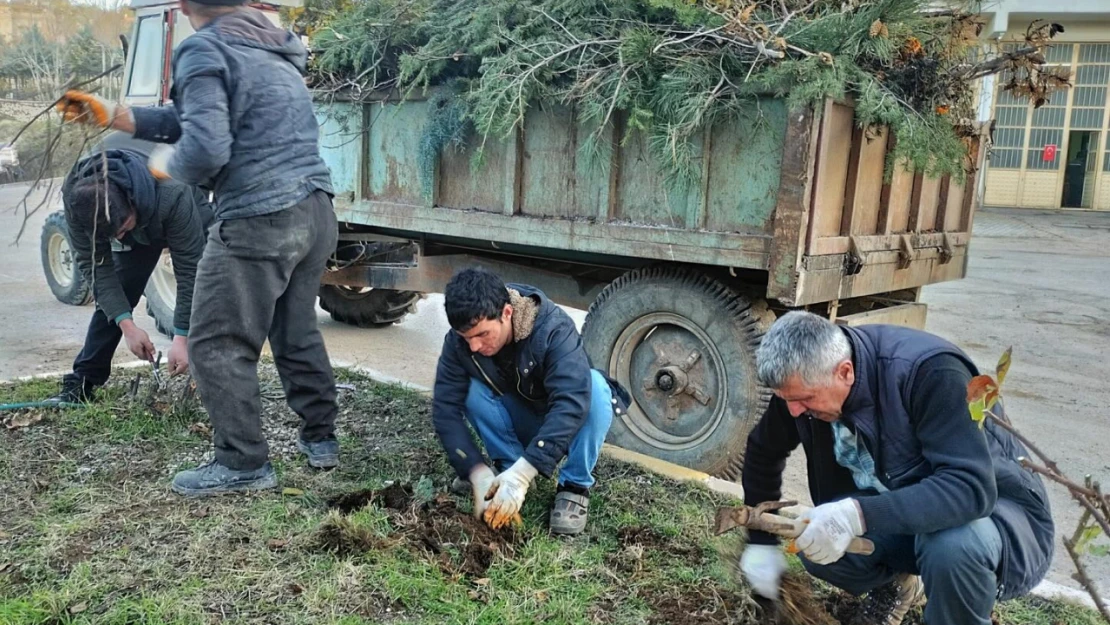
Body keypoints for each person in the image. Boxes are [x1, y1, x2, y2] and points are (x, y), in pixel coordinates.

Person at [57, 0, 339, 496]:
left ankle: (242, 463)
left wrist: (165, 168)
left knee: (214, 342)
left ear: (185, 5)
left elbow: (206, 145)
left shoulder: (203, 48)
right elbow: (193, 116)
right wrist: (117, 116)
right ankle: (320, 438)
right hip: (315, 210)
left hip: (259, 216)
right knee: (295, 330)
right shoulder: (270, 44)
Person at [738, 312, 1054, 625]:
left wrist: (856, 514)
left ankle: (961, 612)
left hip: (997, 521)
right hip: (909, 515)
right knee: (817, 543)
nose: (794, 410)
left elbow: (971, 490)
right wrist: (760, 543)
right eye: (787, 399)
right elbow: (764, 449)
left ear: (845, 372)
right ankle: (897, 586)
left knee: (951, 546)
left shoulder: (931, 373)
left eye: (804, 399)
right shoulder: (805, 383)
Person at [431, 268, 627, 535]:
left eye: (483, 335)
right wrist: (475, 470)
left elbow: (571, 403)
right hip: (522, 417)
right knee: (466, 389)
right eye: (467, 338)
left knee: (595, 388)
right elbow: (445, 410)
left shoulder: (553, 329)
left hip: (564, 427)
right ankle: (507, 468)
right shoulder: (459, 343)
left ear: (507, 313)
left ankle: (574, 487)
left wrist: (524, 474)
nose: (474, 346)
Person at [49, 141, 212, 403]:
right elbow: (97, 268)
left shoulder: (173, 192)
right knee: (117, 292)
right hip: (138, 212)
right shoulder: (77, 198)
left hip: (179, 200)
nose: (121, 238)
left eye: (123, 230)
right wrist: (127, 326)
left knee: (213, 285)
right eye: (115, 236)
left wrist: (181, 338)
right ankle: (83, 381)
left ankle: (213, 373)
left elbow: (190, 273)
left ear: (132, 203)